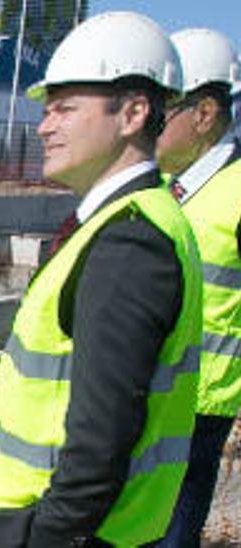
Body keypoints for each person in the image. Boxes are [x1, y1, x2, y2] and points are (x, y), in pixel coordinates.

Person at [0, 12, 204, 547]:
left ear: (134, 113)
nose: (44, 126)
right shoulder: (125, 224)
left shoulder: (129, 244)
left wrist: (41, 535)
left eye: (65, 109)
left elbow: (102, 439)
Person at [155, 28, 241, 548]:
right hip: (147, 393)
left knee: (172, 535)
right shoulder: (168, 187)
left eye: (162, 108)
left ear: (205, 114)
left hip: (198, 407)